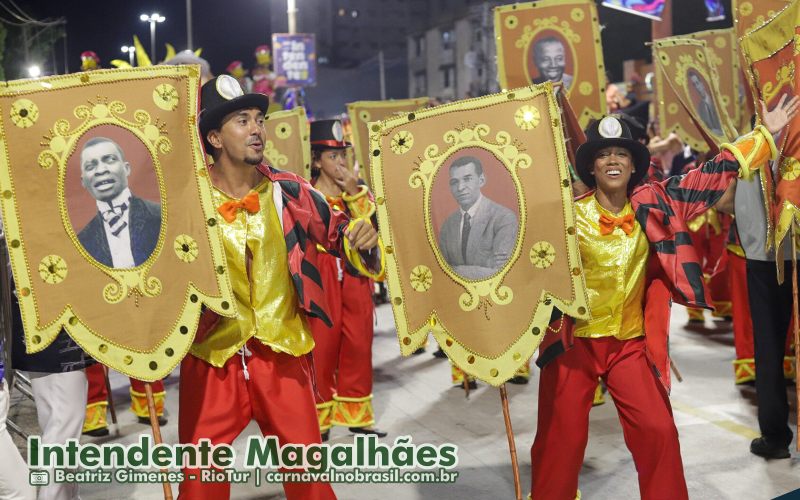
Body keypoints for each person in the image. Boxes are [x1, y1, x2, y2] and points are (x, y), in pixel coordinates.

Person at [529, 99, 797, 499]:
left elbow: (708, 176)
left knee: (658, 431)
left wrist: (762, 135)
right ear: (591, 167)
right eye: (603, 155)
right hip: (574, 346)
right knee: (559, 439)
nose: (613, 161)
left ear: (635, 164)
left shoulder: (655, 202)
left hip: (630, 345)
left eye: (621, 153)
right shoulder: (565, 217)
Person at [179, 75, 381, 499]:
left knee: (309, 478)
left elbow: (337, 233)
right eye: (241, 121)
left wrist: (360, 238)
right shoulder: (188, 202)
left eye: (259, 119)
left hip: (282, 355)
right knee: (199, 483)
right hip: (213, 358)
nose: (256, 129)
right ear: (214, 136)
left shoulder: (288, 191)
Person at [307, 118, 386, 440]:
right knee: (322, 348)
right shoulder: (306, 195)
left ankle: (357, 415)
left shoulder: (358, 194)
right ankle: (320, 421)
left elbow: (372, 232)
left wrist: (353, 191)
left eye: (343, 156)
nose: (340, 164)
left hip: (355, 277)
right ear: (316, 160)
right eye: (332, 157)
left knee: (358, 341)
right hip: (322, 276)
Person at [76, 137, 161, 269]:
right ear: (83, 181)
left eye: (109, 160)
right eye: (90, 166)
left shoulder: (161, 216)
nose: (100, 171)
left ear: (126, 169)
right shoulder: (82, 241)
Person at [438, 155, 518, 280]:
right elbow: (439, 273)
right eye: (455, 182)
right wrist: (486, 264)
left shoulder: (504, 218)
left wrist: (454, 269)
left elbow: (503, 274)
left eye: (467, 179)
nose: (460, 188)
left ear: (481, 180)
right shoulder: (448, 225)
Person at [689, 71, 724, 136]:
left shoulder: (717, 98)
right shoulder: (699, 109)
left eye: (697, 83)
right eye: (694, 85)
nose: (697, 87)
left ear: (702, 83)